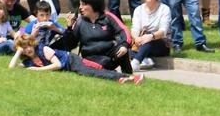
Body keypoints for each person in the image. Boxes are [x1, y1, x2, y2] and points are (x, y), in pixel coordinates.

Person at [9, 32, 144, 84]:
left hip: (70, 60)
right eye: (24, 47)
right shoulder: (28, 61)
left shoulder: (43, 49)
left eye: (28, 45)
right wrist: (18, 51)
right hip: (69, 65)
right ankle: (125, 77)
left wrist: (38, 70)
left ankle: (126, 78)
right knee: (94, 71)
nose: (28, 48)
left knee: (90, 72)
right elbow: (11, 68)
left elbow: (57, 65)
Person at [52, 0, 132, 74]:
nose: (80, 7)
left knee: (122, 50)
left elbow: (123, 30)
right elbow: (71, 44)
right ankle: (111, 74)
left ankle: (129, 76)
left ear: (94, 4)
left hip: (109, 53)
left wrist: (124, 45)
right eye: (80, 4)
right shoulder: (80, 21)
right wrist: (69, 28)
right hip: (91, 58)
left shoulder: (108, 17)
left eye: (83, 4)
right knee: (102, 64)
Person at [130, 0, 172, 70]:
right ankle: (145, 59)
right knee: (123, 46)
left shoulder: (164, 9)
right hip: (141, 42)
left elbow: (163, 31)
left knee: (148, 39)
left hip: (160, 44)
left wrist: (151, 36)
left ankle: (136, 62)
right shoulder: (138, 10)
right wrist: (136, 37)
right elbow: (135, 28)